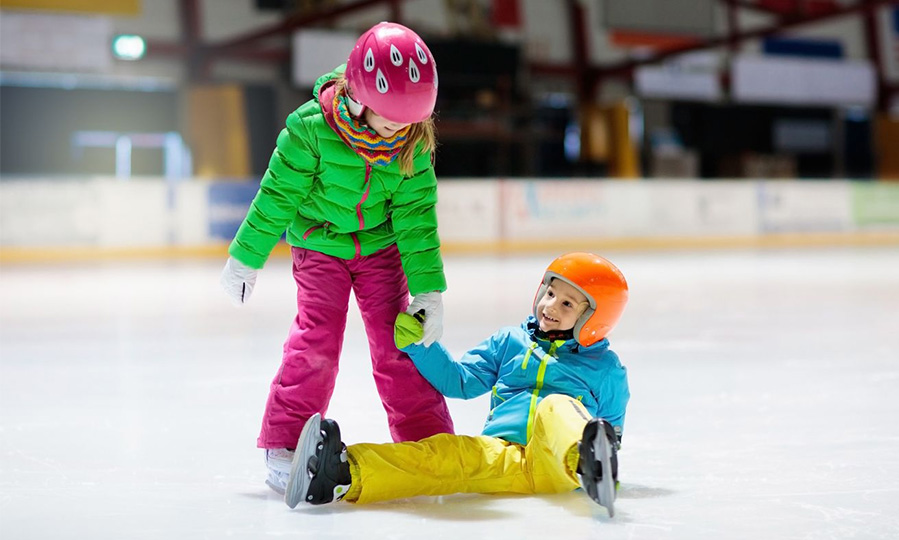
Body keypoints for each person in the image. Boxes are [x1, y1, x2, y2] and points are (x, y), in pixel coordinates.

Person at [219, 22, 454, 493]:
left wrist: (428, 289)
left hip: (380, 250)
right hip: (319, 246)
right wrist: (246, 257)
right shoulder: (309, 130)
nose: (400, 130)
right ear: (361, 97)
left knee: (399, 345)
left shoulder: (411, 144)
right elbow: (276, 198)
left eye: (410, 122)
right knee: (317, 341)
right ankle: (285, 443)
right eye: (391, 120)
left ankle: (426, 440)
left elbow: (416, 220)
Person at [284, 252, 631, 516]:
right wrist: (422, 347)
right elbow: (460, 381)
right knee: (445, 454)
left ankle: (589, 464)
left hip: (560, 464)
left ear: (594, 319)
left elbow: (611, 430)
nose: (550, 306)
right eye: (550, 292)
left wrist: (599, 450)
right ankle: (342, 473)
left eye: (568, 303)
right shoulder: (510, 343)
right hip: (502, 455)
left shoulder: (605, 369)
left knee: (556, 407)